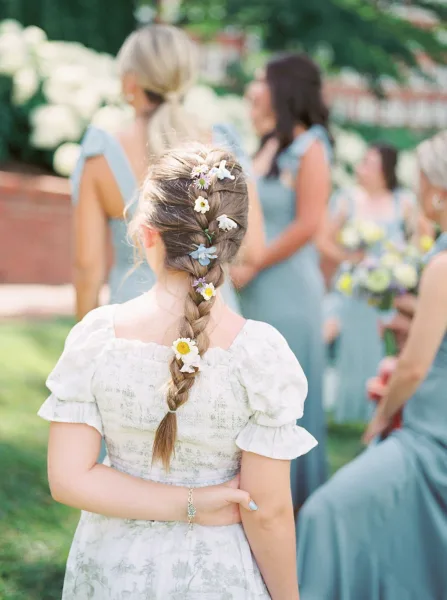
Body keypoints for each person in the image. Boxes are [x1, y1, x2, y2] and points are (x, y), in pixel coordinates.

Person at [38, 144, 317, 599]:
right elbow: (267, 513)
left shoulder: (99, 339)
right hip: (213, 576)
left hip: (112, 572)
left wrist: (186, 506)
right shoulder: (259, 356)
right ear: (233, 240)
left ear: (147, 234)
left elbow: (69, 478)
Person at [297, 130, 447, 600]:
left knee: (324, 512)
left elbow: (414, 368)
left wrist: (382, 418)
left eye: (420, 179)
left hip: (430, 437)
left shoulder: (442, 264)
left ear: (438, 191)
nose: (415, 188)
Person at [72, 24, 263, 321]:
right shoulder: (224, 144)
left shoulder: (101, 155)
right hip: (211, 318)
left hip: (133, 321)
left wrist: (85, 348)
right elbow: (253, 249)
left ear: (130, 81)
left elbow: (87, 268)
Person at [234, 53, 331, 509]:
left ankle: (291, 504)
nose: (254, 88)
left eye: (260, 80)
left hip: (288, 290)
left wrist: (254, 264)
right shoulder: (267, 144)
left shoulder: (312, 147)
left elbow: (307, 224)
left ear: (283, 88)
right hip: (255, 288)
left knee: (285, 398)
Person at [318, 143, 427, 423]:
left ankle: (376, 406)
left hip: (387, 291)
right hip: (352, 289)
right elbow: (323, 241)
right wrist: (349, 258)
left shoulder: (403, 202)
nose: (361, 168)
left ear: (385, 171)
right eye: (363, 161)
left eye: (369, 163)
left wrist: (401, 266)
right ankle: (347, 409)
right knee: (350, 345)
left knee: (379, 346)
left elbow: (418, 243)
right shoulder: (347, 199)